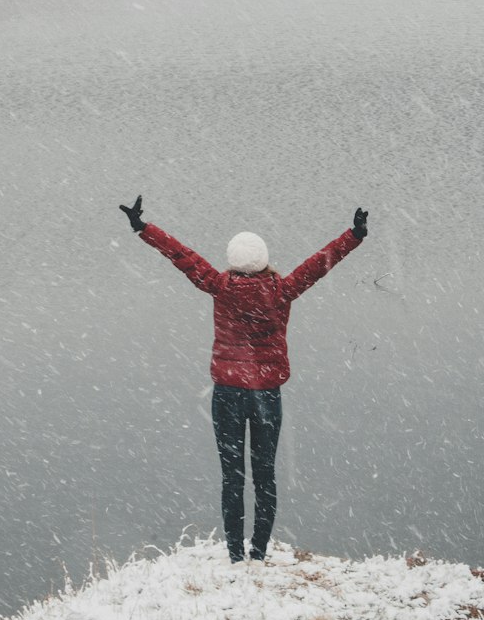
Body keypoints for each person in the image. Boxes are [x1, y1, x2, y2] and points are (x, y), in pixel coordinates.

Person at [118, 195, 368, 565]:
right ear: (264, 260)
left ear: (233, 261)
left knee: (232, 478)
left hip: (228, 394)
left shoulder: (220, 286)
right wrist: (354, 235)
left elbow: (183, 258)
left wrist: (143, 228)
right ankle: (259, 552)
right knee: (264, 476)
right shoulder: (282, 289)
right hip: (266, 395)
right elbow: (319, 265)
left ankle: (236, 555)